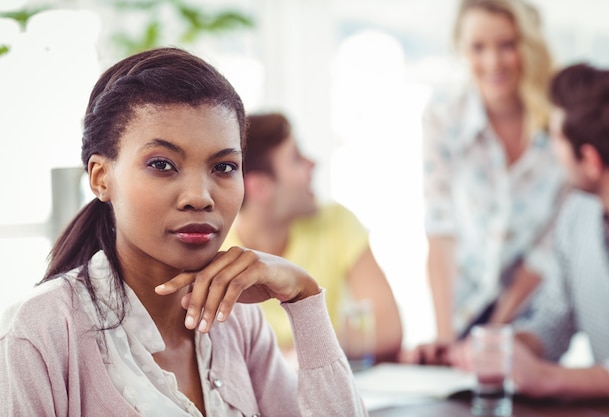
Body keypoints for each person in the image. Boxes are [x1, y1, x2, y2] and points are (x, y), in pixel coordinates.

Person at [0, 47, 367, 416]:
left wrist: (304, 299)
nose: (200, 197)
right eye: (162, 164)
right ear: (101, 178)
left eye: (224, 167)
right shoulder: (39, 333)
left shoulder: (239, 321)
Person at [400, 0, 567, 363]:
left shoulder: (559, 125)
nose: (493, 62)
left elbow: (547, 250)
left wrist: (495, 334)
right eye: (478, 47)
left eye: (507, 45)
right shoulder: (445, 116)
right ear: (462, 49)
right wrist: (447, 338)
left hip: (536, 322)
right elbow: (440, 227)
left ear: (528, 45)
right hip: (463, 314)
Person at [451, 63, 609, 399]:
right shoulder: (576, 216)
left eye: (556, 137)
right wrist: (505, 347)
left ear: (590, 160)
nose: (550, 148)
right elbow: (554, 318)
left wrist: (549, 378)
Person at [220, 112, 403, 364]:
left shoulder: (336, 221)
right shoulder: (217, 252)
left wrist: (291, 356)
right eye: (296, 158)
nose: (312, 163)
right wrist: (326, 346)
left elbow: (387, 330)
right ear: (260, 187)